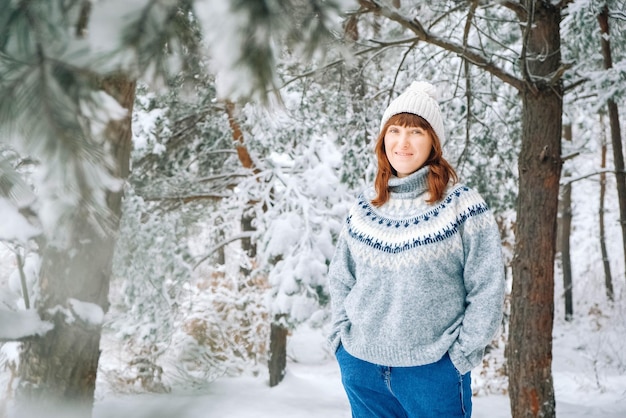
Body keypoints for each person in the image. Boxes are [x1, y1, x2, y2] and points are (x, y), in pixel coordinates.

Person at [327, 81, 505, 418]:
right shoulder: (364, 207)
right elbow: (341, 278)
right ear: (383, 139)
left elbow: (487, 288)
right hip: (363, 368)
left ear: (433, 143)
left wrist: (460, 357)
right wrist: (340, 341)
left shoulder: (462, 206)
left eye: (416, 132)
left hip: (433, 372)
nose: (403, 142)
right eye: (394, 130)